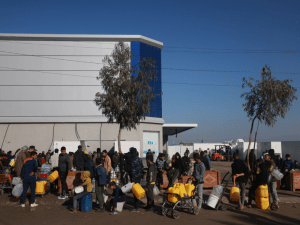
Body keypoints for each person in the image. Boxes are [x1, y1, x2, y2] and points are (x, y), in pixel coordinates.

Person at [129, 147, 144, 212]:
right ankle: (136, 207)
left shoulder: (131, 160)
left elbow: (131, 170)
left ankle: (136, 208)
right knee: (137, 191)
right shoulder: (139, 159)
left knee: (135, 192)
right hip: (139, 177)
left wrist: (132, 179)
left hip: (134, 178)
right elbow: (142, 168)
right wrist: (140, 174)